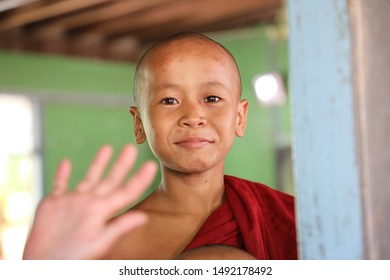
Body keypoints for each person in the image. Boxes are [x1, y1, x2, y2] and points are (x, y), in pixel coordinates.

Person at [23, 32, 297, 260]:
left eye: (212, 98)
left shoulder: (291, 219)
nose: (193, 117)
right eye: (169, 101)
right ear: (139, 124)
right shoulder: (110, 246)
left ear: (240, 117)